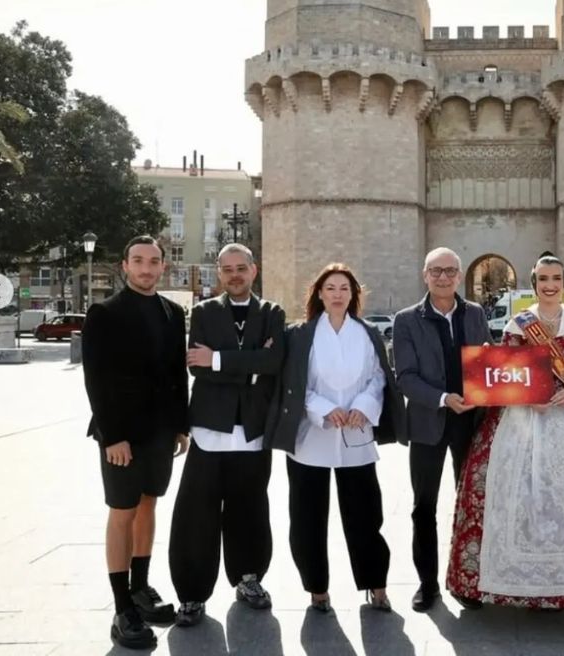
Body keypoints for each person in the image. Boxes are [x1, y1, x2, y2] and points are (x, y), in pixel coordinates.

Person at [447, 254, 564, 609]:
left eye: (556, 279)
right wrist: (526, 397)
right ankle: (483, 581)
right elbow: (507, 371)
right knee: (489, 482)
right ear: (534, 283)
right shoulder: (520, 324)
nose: (550, 285)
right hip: (522, 416)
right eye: (543, 279)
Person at [265, 263, 404, 613]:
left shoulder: (368, 333)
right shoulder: (301, 335)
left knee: (366, 517)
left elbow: (378, 377)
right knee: (308, 518)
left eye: (344, 288)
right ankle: (317, 590)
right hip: (311, 437)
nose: (338, 294)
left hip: (356, 435)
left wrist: (363, 405)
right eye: (331, 288)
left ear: (353, 294)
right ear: (320, 294)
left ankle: (377, 585)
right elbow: (296, 385)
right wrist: (324, 408)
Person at [168, 244, 285, 627]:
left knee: (250, 510)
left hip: (251, 431)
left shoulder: (271, 313)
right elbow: (196, 369)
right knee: (196, 516)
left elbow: (272, 362)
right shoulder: (203, 312)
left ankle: (249, 579)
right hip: (209, 429)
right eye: (227, 269)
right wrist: (248, 364)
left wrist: (218, 359)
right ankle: (191, 595)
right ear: (219, 273)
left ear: (255, 270)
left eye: (241, 268)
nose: (235, 275)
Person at [81, 235, 189, 649]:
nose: (147, 268)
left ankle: (142, 589)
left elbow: (177, 375)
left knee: (149, 505)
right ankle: (121, 606)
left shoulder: (173, 313)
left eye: (154, 261)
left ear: (163, 267)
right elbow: (96, 379)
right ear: (125, 266)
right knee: (122, 512)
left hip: (162, 432)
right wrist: (113, 436)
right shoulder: (104, 313)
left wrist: (181, 425)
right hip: (121, 436)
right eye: (139, 261)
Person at [392, 247, 493, 612]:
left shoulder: (476, 314)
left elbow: (489, 362)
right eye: (436, 271)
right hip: (428, 424)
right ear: (425, 275)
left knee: (470, 506)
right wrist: (442, 397)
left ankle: (467, 582)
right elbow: (405, 377)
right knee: (424, 506)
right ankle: (427, 583)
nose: (443, 277)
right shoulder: (406, 320)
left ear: (460, 274)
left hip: (470, 424)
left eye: (450, 271)